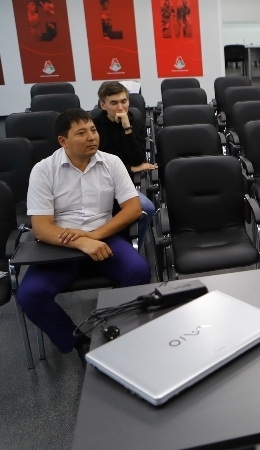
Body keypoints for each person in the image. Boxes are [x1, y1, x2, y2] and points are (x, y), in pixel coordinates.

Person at [17, 109, 151, 361]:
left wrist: (94, 236)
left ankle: (113, 331)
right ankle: (79, 342)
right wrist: (80, 242)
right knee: (30, 295)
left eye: (93, 130)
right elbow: (42, 228)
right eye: (81, 133)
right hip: (61, 243)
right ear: (63, 141)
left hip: (104, 237)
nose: (91, 137)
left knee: (138, 271)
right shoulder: (43, 170)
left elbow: (133, 209)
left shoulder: (111, 162)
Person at [91, 81, 156, 249]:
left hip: (122, 182)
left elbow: (137, 159)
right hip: (97, 180)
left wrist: (127, 128)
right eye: (114, 103)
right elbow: (96, 161)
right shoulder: (93, 126)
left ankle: (131, 248)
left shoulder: (135, 121)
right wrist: (130, 168)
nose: (120, 107)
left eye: (124, 101)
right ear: (103, 105)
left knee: (147, 208)